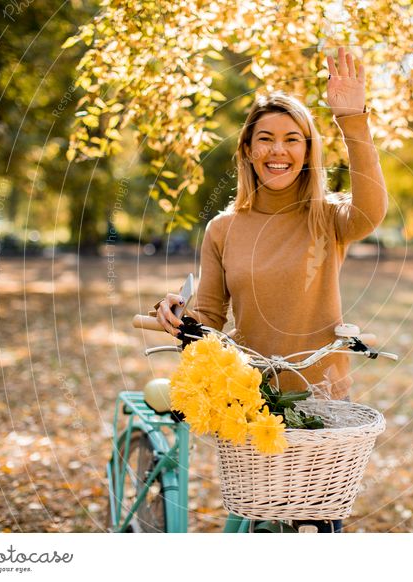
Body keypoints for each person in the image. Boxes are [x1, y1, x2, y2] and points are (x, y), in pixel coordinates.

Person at [154, 46, 388, 532]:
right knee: (255, 523)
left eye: (291, 140)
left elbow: (372, 211)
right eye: (265, 139)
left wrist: (352, 120)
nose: (277, 151)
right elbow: (212, 318)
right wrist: (180, 313)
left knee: (317, 527)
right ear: (247, 149)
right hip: (250, 397)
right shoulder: (223, 229)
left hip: (321, 396)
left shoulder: (327, 217)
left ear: (307, 151)